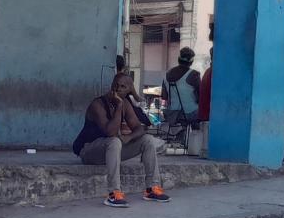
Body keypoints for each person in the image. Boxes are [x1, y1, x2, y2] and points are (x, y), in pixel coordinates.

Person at [73, 73, 171, 207]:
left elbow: (139, 128)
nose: (118, 88)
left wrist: (128, 137)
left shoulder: (125, 103)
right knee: (114, 141)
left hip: (111, 151)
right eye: (116, 85)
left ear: (129, 90)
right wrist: (119, 106)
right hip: (89, 151)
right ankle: (114, 193)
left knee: (147, 140)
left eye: (123, 87)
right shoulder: (97, 104)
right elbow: (110, 132)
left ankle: (152, 188)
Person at [162, 47, 201, 122]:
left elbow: (164, 97)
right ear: (191, 62)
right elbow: (200, 97)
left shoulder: (166, 74)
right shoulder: (194, 75)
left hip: (172, 114)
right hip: (190, 114)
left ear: (179, 59)